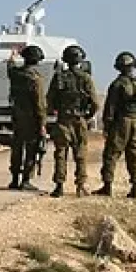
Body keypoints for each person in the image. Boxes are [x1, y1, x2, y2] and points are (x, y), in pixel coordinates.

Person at [97, 51, 136, 199]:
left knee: (111, 154)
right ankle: (135, 186)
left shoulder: (117, 85)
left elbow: (110, 107)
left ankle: (107, 186)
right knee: (134, 155)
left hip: (121, 122)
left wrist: (107, 126)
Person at [46, 44, 99, 198]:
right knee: (80, 154)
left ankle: (59, 186)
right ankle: (80, 186)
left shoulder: (59, 77)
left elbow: (50, 100)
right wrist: (87, 116)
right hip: (79, 119)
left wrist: (55, 111)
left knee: (61, 153)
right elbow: (95, 102)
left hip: (63, 119)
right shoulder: (86, 78)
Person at [6, 44, 47, 191]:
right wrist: (42, 124)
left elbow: (9, 67)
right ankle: (26, 180)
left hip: (17, 116)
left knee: (17, 147)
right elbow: (40, 104)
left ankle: (14, 179)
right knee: (31, 149)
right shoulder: (36, 79)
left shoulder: (16, 74)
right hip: (31, 119)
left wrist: (13, 54)